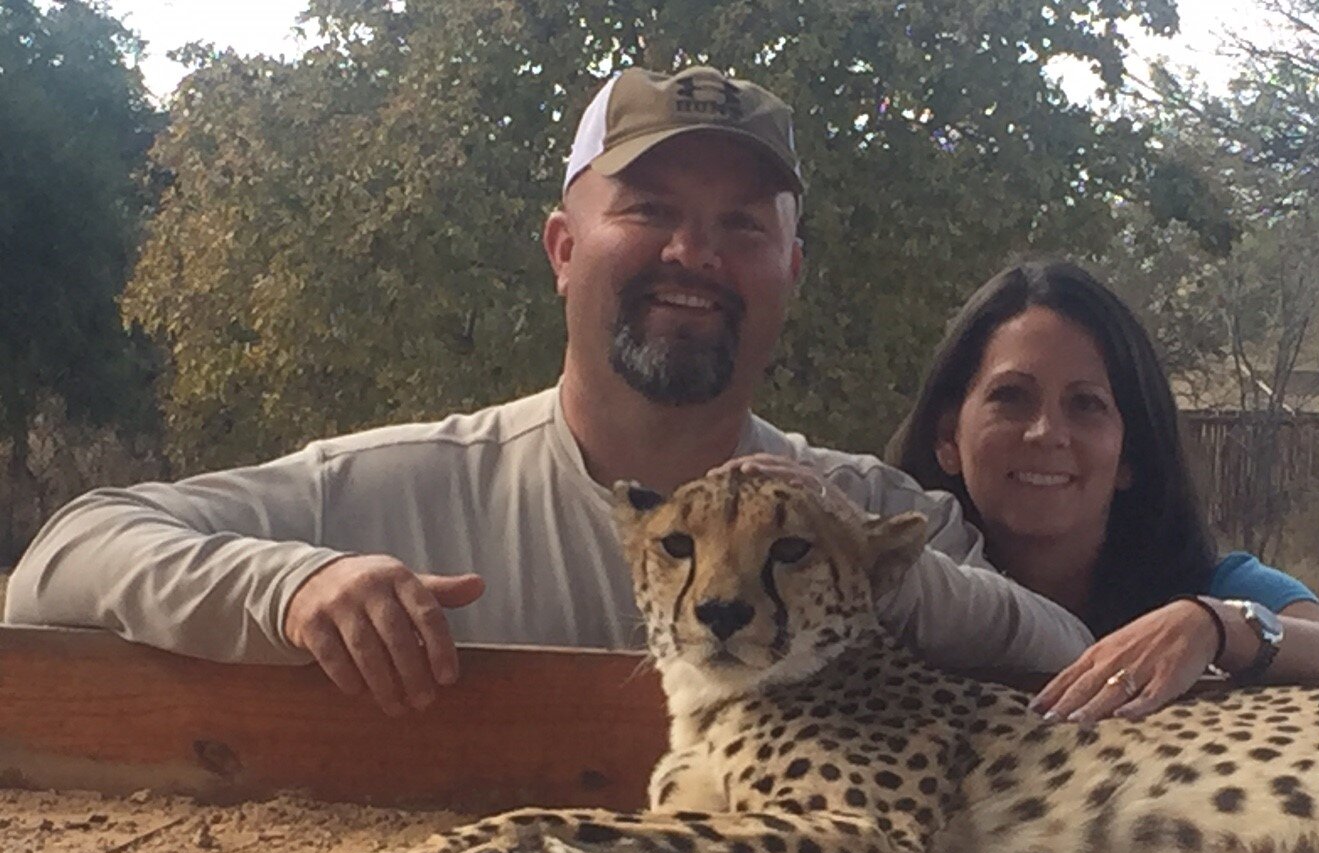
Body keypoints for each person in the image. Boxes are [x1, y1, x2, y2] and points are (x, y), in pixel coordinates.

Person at [4, 67, 1091, 715]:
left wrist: (850, 556)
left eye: (741, 227)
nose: (695, 255)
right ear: (563, 248)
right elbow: (63, 558)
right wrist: (287, 591)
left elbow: (1066, 655)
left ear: (789, 275)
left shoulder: (860, 504)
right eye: (651, 209)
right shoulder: (391, 491)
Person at [885, 259, 1319, 723]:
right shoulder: (894, 592)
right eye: (1011, 397)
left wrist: (1216, 627)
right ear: (946, 437)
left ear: (1129, 455)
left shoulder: (1220, 585)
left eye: (1086, 404)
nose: (1046, 432)